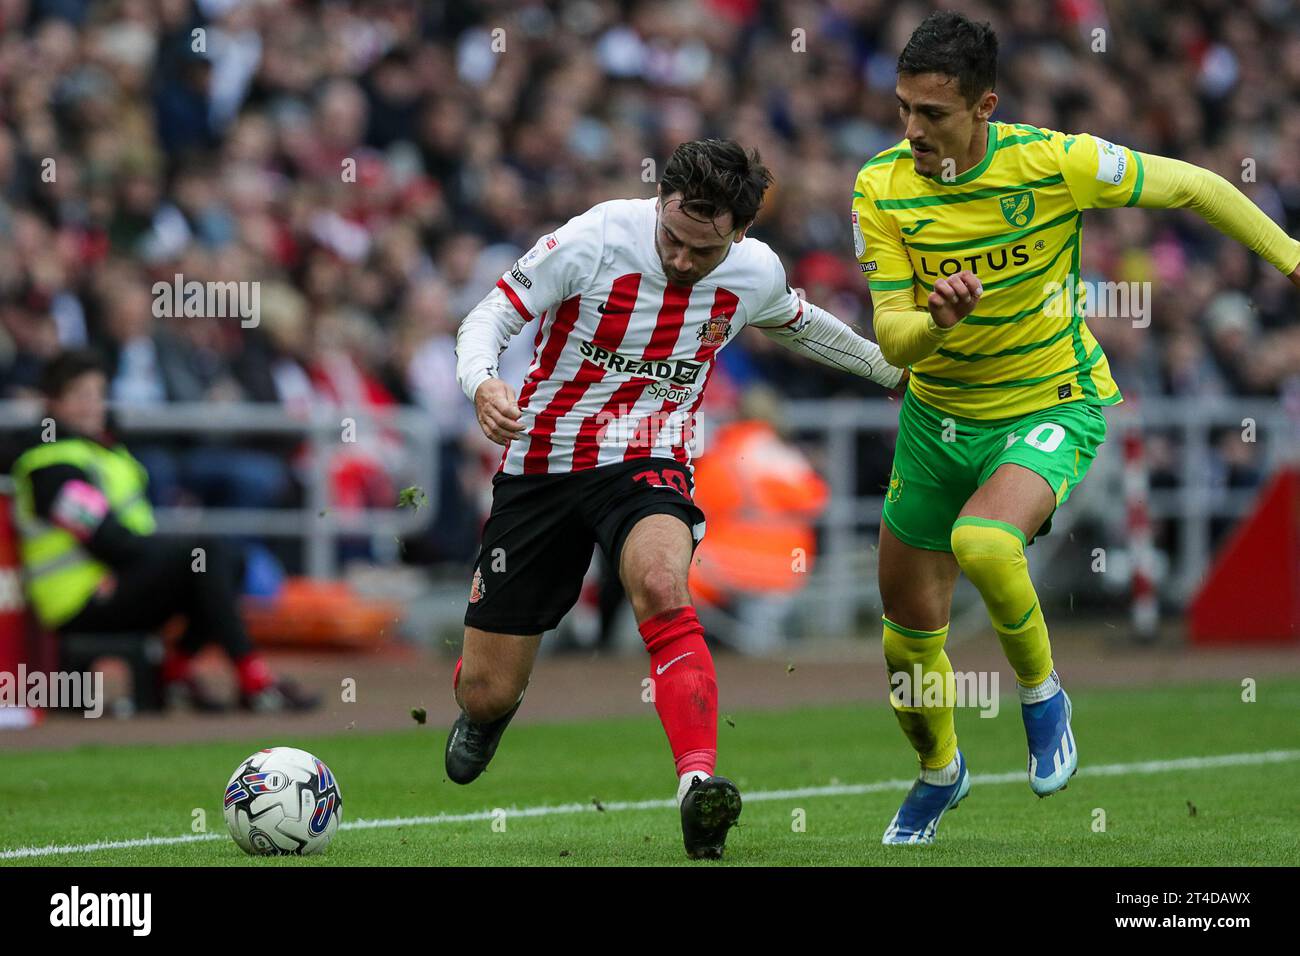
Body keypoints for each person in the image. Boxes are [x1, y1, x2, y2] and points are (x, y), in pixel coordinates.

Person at [853, 11, 1300, 844]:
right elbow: (892, 337)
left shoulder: (1056, 161)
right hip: (936, 422)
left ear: (985, 105)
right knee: (907, 651)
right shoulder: (879, 187)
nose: (912, 129)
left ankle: (1042, 694)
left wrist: (1293, 259)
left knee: (986, 543)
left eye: (933, 113)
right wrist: (937, 322)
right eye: (904, 108)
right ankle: (940, 772)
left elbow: (1198, 185)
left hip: (1050, 400)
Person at [451, 138, 905, 860]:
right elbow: (491, 314)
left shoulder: (754, 274)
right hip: (543, 461)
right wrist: (483, 382)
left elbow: (804, 326)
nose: (685, 260)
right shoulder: (596, 238)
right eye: (674, 239)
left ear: (742, 233)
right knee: (485, 689)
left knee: (663, 584)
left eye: (706, 249)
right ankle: (489, 711)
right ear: (660, 202)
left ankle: (697, 787)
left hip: (650, 457)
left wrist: (892, 372)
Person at [8, 350, 319, 713]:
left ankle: (177, 670)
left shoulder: (103, 450)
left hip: (117, 581)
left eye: (97, 393)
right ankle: (253, 679)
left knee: (229, 559)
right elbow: (108, 542)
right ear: (53, 402)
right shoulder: (50, 465)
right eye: (80, 395)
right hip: (81, 599)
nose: (92, 405)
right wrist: (172, 552)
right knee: (206, 554)